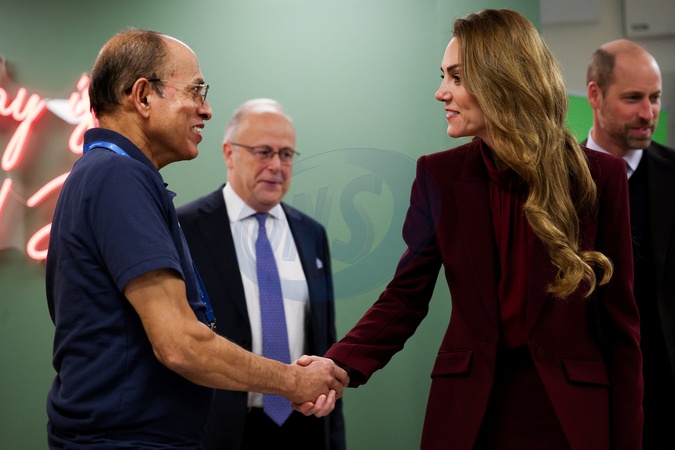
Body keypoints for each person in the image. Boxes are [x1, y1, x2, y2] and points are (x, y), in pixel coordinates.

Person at [319, 9, 643, 450]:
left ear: (501, 79)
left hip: (569, 419)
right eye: (443, 76)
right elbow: (405, 296)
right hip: (469, 416)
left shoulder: (600, 176)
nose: (441, 92)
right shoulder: (437, 176)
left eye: (456, 77)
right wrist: (339, 364)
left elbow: (622, 329)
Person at [45, 29, 348, 449]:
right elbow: (181, 344)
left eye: (286, 154)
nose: (206, 109)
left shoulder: (110, 175)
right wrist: (294, 381)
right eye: (196, 91)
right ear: (143, 96)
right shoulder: (118, 177)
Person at [177, 98, 346, 450]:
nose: (276, 166)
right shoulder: (185, 229)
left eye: (286, 154)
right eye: (263, 152)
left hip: (304, 429)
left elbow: (324, 342)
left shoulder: (311, 234)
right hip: (217, 434)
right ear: (229, 153)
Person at [585, 39, 675, 449]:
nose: (648, 113)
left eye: (654, 98)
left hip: (665, 389)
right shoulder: (558, 183)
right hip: (589, 389)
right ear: (595, 94)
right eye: (633, 98)